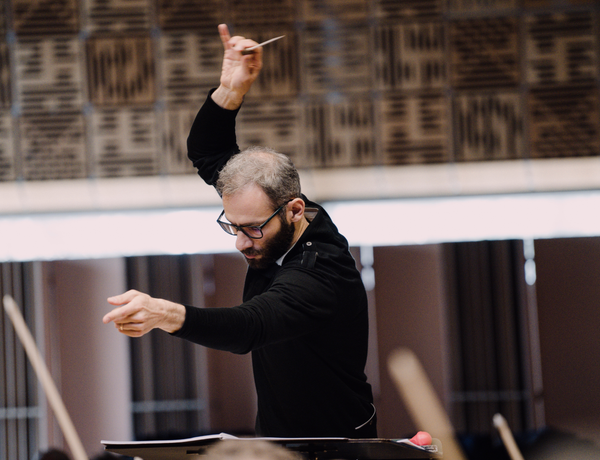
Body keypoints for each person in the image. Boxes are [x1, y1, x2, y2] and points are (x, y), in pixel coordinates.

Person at [103, 24, 376, 439]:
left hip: (338, 446)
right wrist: (230, 90)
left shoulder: (321, 273)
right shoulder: (272, 205)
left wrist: (164, 314)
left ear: (294, 210)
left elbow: (249, 327)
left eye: (252, 229)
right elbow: (207, 151)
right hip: (279, 439)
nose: (240, 242)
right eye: (232, 226)